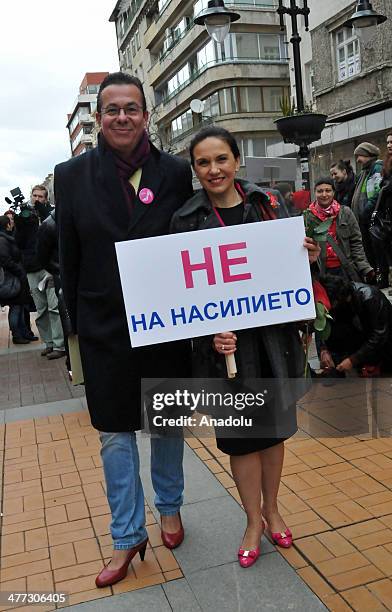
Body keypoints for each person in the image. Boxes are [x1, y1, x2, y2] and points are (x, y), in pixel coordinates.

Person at [55, 72, 193, 588]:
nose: (121, 117)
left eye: (130, 108)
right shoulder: (70, 176)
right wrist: (75, 334)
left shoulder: (178, 172)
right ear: (97, 118)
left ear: (146, 115)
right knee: (114, 434)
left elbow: (206, 233)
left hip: (167, 324)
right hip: (104, 328)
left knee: (166, 424)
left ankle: (171, 508)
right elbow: (68, 258)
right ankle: (126, 534)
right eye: (111, 109)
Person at [170, 126, 320, 569]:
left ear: (236, 161)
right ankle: (252, 520)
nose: (213, 169)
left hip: (272, 342)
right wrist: (206, 332)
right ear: (195, 170)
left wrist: (307, 259)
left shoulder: (267, 205)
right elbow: (181, 294)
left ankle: (273, 510)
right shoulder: (186, 219)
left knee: (273, 432)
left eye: (221, 159)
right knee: (240, 439)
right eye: (203, 162)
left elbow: (296, 273)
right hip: (226, 351)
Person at [319, 274, 392, 375]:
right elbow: (329, 326)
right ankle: (337, 365)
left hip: (384, 339)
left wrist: (353, 360)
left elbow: (378, 335)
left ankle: (376, 365)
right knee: (336, 331)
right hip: (362, 334)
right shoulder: (340, 303)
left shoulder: (370, 297)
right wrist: (324, 349)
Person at [303, 178, 373, 282]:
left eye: (328, 190)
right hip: (319, 271)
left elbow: (356, 242)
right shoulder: (307, 216)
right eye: (320, 191)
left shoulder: (346, 213)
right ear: (315, 193)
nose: (324, 194)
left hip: (345, 270)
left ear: (334, 192)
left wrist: (365, 267)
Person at [0, 216, 32, 344]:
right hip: (12, 279)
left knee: (20, 307)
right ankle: (17, 335)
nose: (12, 223)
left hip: (15, 277)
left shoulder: (7, 238)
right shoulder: (3, 240)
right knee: (16, 308)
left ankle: (23, 333)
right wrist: (19, 271)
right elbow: (5, 260)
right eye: (10, 222)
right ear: (7, 225)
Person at [351, 142, 383, 267]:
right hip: (364, 219)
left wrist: (366, 211)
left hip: (372, 218)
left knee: (375, 250)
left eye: (360, 156)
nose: (358, 160)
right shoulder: (364, 172)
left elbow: (377, 192)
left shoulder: (377, 169)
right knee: (368, 249)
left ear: (368, 155)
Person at [369, 132, 392, 288]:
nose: (389, 145)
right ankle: (385, 279)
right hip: (387, 213)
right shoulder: (386, 162)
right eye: (388, 142)